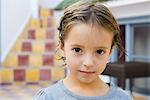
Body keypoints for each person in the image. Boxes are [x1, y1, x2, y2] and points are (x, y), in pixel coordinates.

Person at [34, 0, 132, 100]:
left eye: (99, 51)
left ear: (109, 52)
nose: (88, 63)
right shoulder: (48, 97)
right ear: (62, 48)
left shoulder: (123, 98)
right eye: (77, 50)